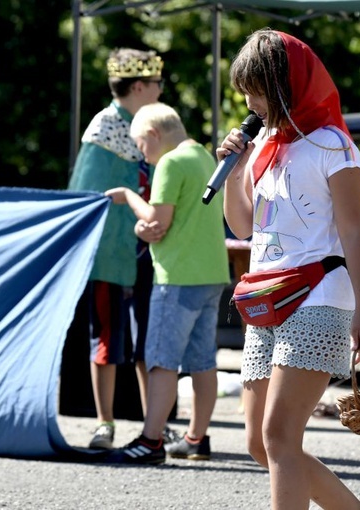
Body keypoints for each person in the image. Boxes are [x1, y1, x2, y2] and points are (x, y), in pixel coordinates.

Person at [218, 29, 360, 509]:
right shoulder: (262, 142)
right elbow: (243, 226)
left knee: (280, 436)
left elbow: (353, 235)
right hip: (265, 299)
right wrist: (235, 168)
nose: (249, 101)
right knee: (259, 444)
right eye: (244, 90)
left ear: (285, 85)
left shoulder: (333, 145)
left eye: (257, 89)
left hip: (319, 297)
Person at [104, 102, 230, 464]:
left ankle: (151, 440)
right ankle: (195, 438)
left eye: (142, 146)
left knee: (160, 360)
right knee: (204, 362)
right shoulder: (204, 157)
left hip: (177, 278)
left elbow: (158, 224)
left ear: (154, 135)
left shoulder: (170, 163)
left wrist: (129, 199)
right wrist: (148, 227)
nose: (143, 155)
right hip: (211, 276)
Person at [67, 48, 167, 450]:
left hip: (151, 252)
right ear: (140, 86)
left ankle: (152, 424)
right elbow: (86, 196)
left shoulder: (156, 125)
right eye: (157, 84)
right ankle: (104, 422)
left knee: (150, 342)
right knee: (107, 338)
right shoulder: (104, 127)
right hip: (112, 254)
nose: (162, 90)